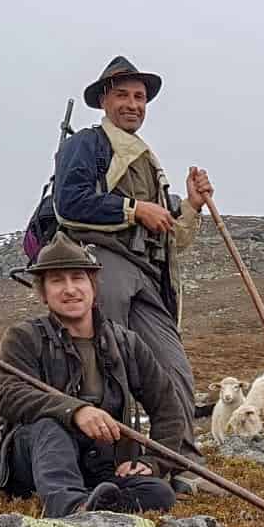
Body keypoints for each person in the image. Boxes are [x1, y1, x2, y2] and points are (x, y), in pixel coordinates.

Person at [54, 55, 213, 489]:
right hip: (102, 264)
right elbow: (69, 203)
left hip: (146, 276)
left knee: (170, 365)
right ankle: (110, 464)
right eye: (122, 94)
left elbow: (169, 237)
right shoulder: (88, 144)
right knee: (109, 364)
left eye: (139, 97)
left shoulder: (146, 161)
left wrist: (191, 206)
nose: (132, 104)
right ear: (104, 100)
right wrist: (133, 208)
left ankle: (177, 464)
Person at [0, 233, 183, 518]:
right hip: (33, 464)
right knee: (49, 426)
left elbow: (167, 407)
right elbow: (9, 395)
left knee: (159, 493)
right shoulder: (23, 337)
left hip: (102, 466)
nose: (69, 289)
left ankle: (99, 503)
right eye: (57, 281)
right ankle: (72, 509)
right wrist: (74, 411)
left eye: (78, 278)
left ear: (93, 286)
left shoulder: (127, 343)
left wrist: (153, 462)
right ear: (42, 293)